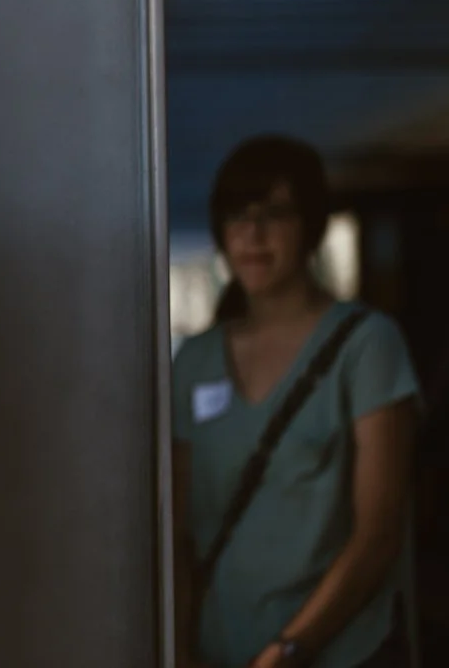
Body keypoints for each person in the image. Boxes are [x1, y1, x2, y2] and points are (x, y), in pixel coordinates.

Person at [172, 136, 418, 668]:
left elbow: (379, 530)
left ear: (311, 225)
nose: (252, 234)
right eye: (236, 215)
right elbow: (179, 533)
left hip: (344, 653)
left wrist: (289, 649)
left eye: (274, 214)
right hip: (222, 651)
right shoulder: (195, 361)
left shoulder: (367, 344)